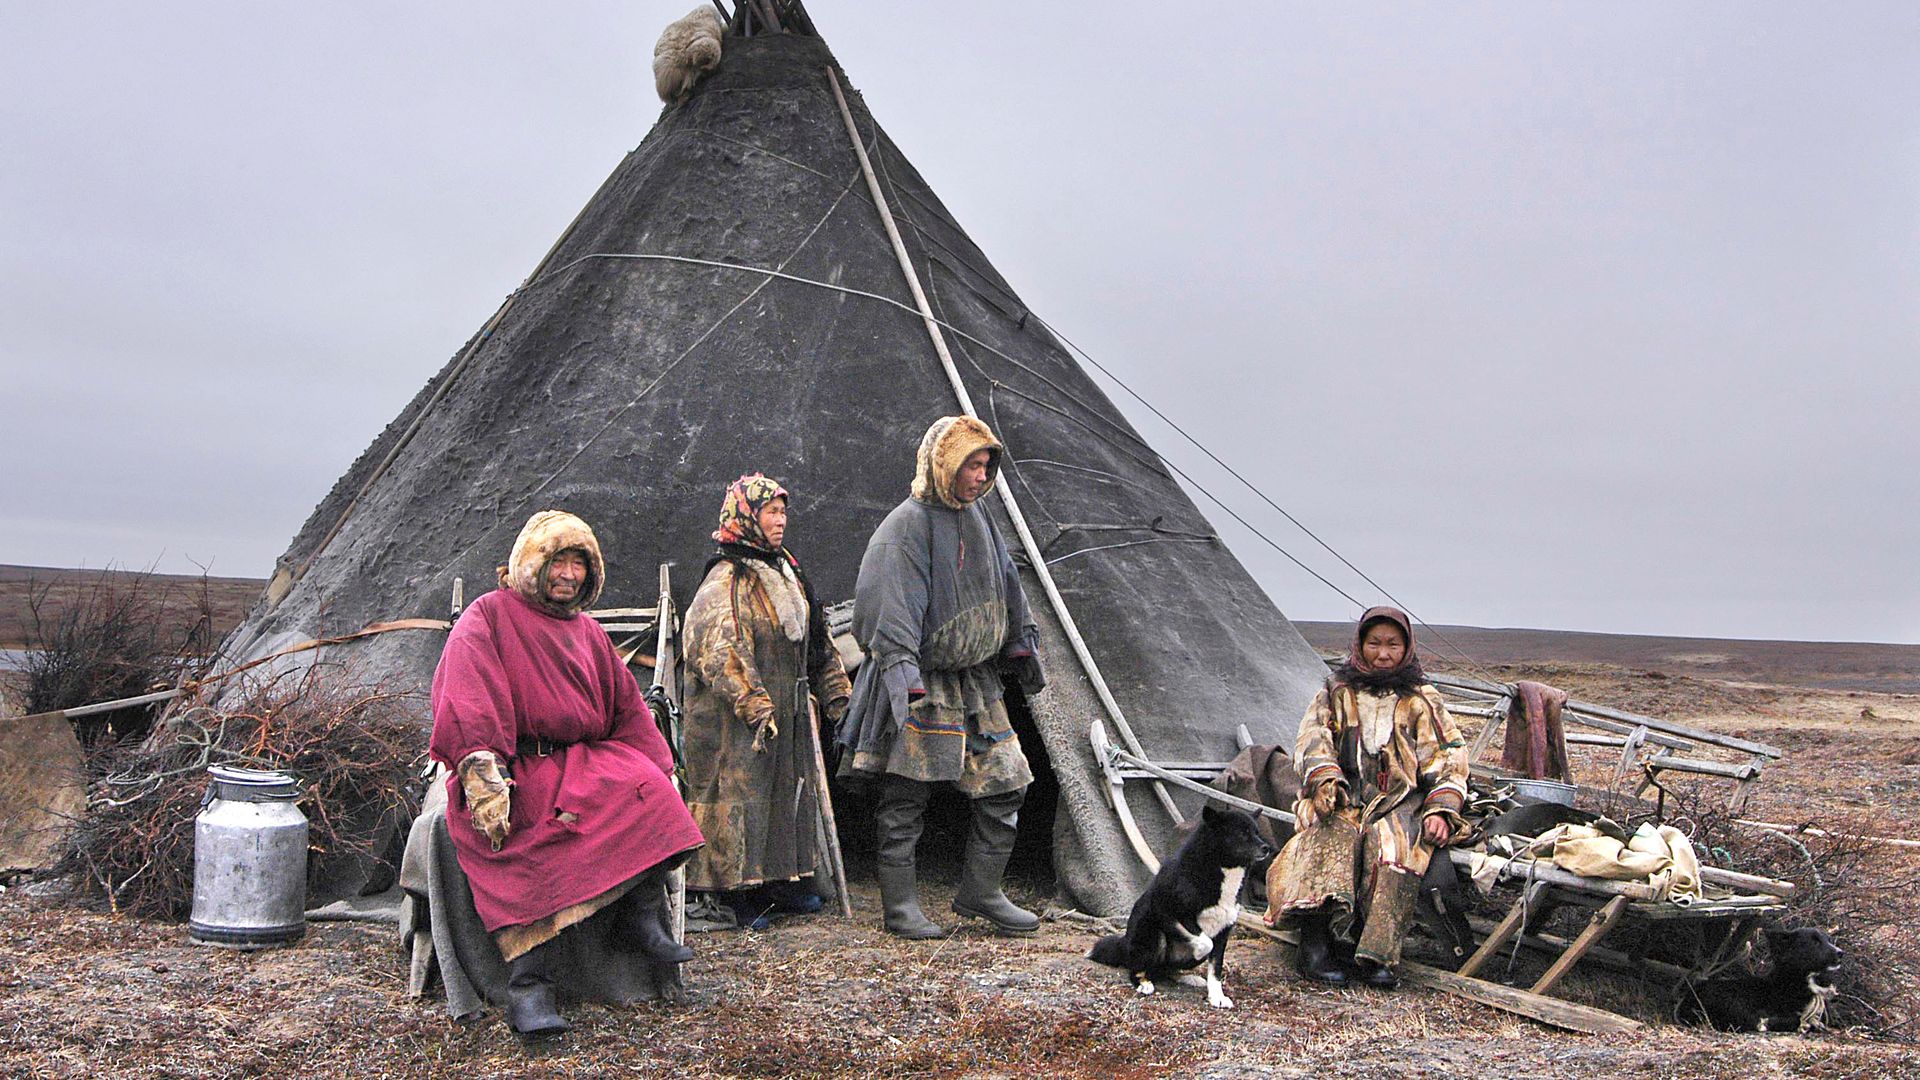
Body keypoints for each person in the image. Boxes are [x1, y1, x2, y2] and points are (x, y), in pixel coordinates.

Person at [428, 510, 705, 1036]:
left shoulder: (588, 633)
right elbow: (466, 695)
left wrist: (658, 768)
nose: (569, 575)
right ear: (533, 563)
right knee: (532, 842)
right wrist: (483, 774)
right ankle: (529, 987)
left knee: (645, 790)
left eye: (580, 564)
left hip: (579, 761)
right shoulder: (488, 617)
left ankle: (640, 921)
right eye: (559, 561)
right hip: (519, 766)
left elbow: (627, 708)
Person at [838, 415, 1046, 939]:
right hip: (923, 681)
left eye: (985, 466)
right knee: (908, 794)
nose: (980, 477)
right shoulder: (904, 527)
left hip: (976, 682)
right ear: (943, 465)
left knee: (1005, 783)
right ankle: (901, 906)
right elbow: (887, 606)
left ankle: (982, 892)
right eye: (971, 466)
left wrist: (1019, 640)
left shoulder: (980, 520)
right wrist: (904, 675)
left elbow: (1006, 583)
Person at [1263, 607, 1470, 988]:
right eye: (1374, 643)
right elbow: (1313, 738)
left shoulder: (1422, 700)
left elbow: (1448, 755)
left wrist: (1441, 807)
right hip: (1344, 794)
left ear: (1406, 648)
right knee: (1329, 837)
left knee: (1392, 850)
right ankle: (1315, 945)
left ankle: (1376, 953)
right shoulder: (1337, 692)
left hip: (1400, 799)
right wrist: (1326, 780)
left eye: (1393, 644)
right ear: (1360, 645)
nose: (1383, 653)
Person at [680, 474, 853, 929]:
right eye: (771, 512)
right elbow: (719, 649)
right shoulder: (726, 580)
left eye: (783, 512)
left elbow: (816, 640)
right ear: (746, 516)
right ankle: (734, 894)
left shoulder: (787, 572)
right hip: (732, 719)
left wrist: (836, 694)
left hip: (787, 708)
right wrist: (754, 705)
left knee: (783, 794)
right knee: (738, 795)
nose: (781, 521)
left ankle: (782, 884)